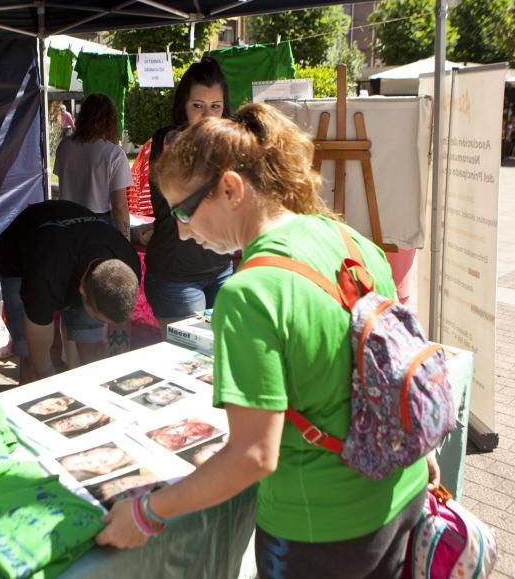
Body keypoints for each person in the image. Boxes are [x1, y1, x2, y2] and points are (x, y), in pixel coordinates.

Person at [96, 103, 439, 579]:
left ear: (231, 188)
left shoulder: (249, 293)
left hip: (322, 531)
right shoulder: (349, 239)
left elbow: (254, 456)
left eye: (185, 211)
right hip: (403, 493)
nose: (181, 231)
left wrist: (147, 513)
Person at [0, 200, 141, 381]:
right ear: (82, 291)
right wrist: (53, 388)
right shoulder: (45, 276)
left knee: (94, 351)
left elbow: (120, 319)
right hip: (18, 258)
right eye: (98, 317)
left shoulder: (128, 265)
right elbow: (41, 361)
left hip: (71, 245)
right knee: (30, 359)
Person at [144, 57, 234, 335]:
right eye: (198, 106)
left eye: (215, 107)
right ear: (183, 105)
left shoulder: (228, 143)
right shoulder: (170, 140)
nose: (207, 116)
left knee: (222, 354)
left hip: (221, 268)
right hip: (177, 276)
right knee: (189, 358)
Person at [54, 93, 132, 240]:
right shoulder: (114, 154)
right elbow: (119, 207)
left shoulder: (64, 146)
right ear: (111, 121)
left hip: (66, 223)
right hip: (98, 225)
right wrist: (126, 242)